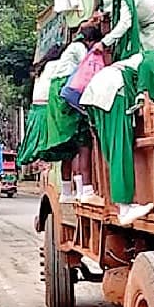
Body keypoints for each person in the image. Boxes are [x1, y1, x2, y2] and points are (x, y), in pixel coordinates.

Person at [82, 0, 154, 224]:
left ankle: (122, 203)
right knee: (121, 149)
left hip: (100, 93)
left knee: (113, 150)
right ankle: (124, 208)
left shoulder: (129, 2)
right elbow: (150, 92)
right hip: (112, 94)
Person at [41, 23, 104, 203]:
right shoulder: (79, 48)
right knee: (83, 143)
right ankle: (86, 190)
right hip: (68, 93)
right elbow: (89, 66)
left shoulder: (68, 53)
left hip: (58, 98)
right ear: (90, 41)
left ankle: (67, 192)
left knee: (69, 148)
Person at [17, 45, 65, 167]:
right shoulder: (57, 65)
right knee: (55, 145)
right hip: (46, 108)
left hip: (36, 108)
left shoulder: (42, 68)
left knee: (34, 145)